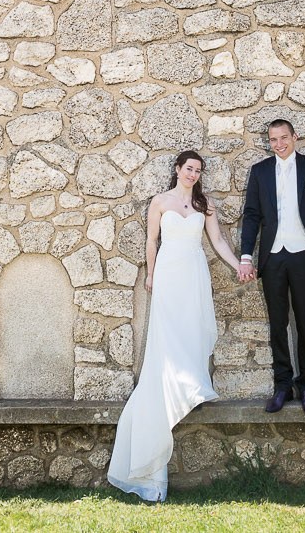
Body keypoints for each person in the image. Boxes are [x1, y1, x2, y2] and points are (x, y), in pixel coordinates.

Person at [106, 150, 243, 502]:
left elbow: (217, 242)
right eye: (188, 168)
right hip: (168, 271)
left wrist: (239, 263)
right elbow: (152, 240)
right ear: (178, 169)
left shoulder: (205, 205)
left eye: (198, 170)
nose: (193, 174)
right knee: (168, 333)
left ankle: (189, 384)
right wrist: (151, 274)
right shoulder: (160, 201)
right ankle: (172, 391)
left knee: (192, 328)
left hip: (194, 272)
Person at [236, 118, 305, 416]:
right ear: (269, 142)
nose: (279, 144)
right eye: (273, 140)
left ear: (294, 137)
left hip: (303, 256)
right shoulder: (259, 172)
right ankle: (282, 385)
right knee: (277, 323)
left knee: (304, 321)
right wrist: (246, 255)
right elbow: (251, 215)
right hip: (273, 257)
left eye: (284, 137)